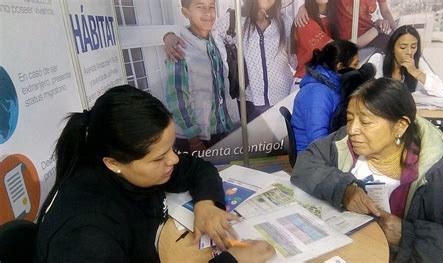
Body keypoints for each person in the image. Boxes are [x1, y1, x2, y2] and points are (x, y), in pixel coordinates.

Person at [34, 85, 275, 263]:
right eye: (160, 157)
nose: (174, 159)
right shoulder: (84, 239)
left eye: (171, 148)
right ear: (113, 163)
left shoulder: (133, 164)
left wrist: (207, 204)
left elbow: (197, 168)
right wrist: (233, 261)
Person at [291, 78, 443, 262]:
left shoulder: (442, 175)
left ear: (400, 126)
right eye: (349, 119)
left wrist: (407, 236)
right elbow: (306, 163)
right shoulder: (344, 143)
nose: (353, 129)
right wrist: (343, 189)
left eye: (365, 121)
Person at [165, 0, 295, 122]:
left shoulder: (284, 21)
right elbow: (203, 31)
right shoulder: (233, 19)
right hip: (250, 103)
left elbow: (296, 57)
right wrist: (169, 36)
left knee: (285, 143)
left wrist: (304, 9)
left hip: (284, 98)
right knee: (258, 145)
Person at [165, 0, 238, 154]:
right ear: (186, 13)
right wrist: (194, 140)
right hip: (196, 138)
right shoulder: (180, 49)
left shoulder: (216, 41)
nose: (207, 13)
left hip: (221, 130)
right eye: (200, 7)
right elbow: (177, 99)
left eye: (211, 7)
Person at [291, 40, 359, 152]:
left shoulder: (332, 87)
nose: (358, 69)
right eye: (355, 64)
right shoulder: (317, 93)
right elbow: (318, 141)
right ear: (340, 66)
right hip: (312, 160)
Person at [368, 25, 443, 97]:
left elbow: (442, 91)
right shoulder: (378, 59)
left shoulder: (418, 61)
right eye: (403, 47)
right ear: (392, 48)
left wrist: (415, 72)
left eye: (413, 47)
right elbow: (369, 92)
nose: (409, 52)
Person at [294, 0, 396, 48]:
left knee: (393, 47)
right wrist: (304, 7)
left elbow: (385, 10)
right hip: (346, 40)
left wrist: (397, 32)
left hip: (370, 34)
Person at [290, 0, 335, 78]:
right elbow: (335, 50)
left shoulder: (333, 17)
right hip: (308, 79)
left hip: (325, 77)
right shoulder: (305, 21)